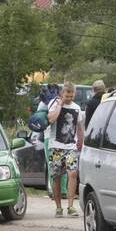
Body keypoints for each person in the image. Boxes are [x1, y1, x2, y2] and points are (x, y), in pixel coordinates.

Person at [47, 82, 84, 217]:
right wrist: (60, 105)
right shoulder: (54, 103)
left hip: (71, 147)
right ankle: (58, 207)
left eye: (71, 94)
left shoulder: (77, 108)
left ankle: (70, 206)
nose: (69, 97)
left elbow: (79, 127)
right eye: (67, 94)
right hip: (56, 147)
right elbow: (51, 119)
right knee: (56, 176)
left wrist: (82, 142)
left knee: (72, 174)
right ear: (62, 93)